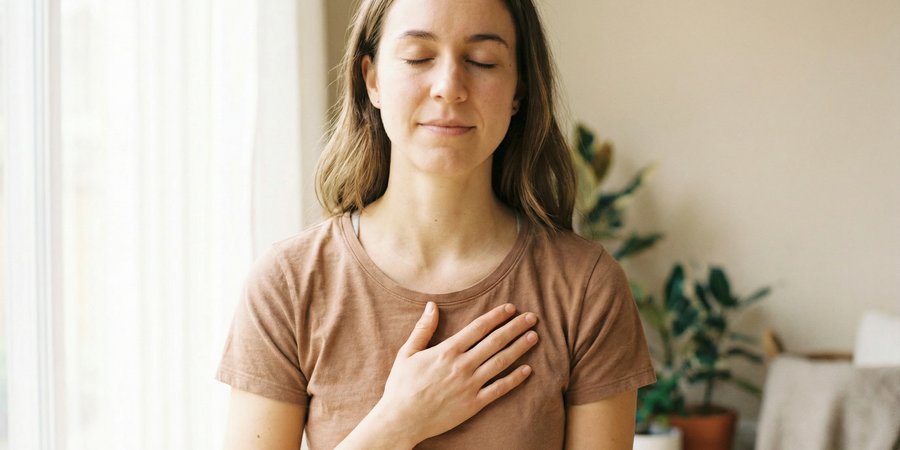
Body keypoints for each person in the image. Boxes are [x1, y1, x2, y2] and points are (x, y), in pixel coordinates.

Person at [215, 0, 656, 448]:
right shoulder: (289, 284)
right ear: (372, 79)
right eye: (418, 58)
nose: (449, 87)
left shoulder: (586, 288)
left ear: (519, 88)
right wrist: (396, 425)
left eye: (482, 61)